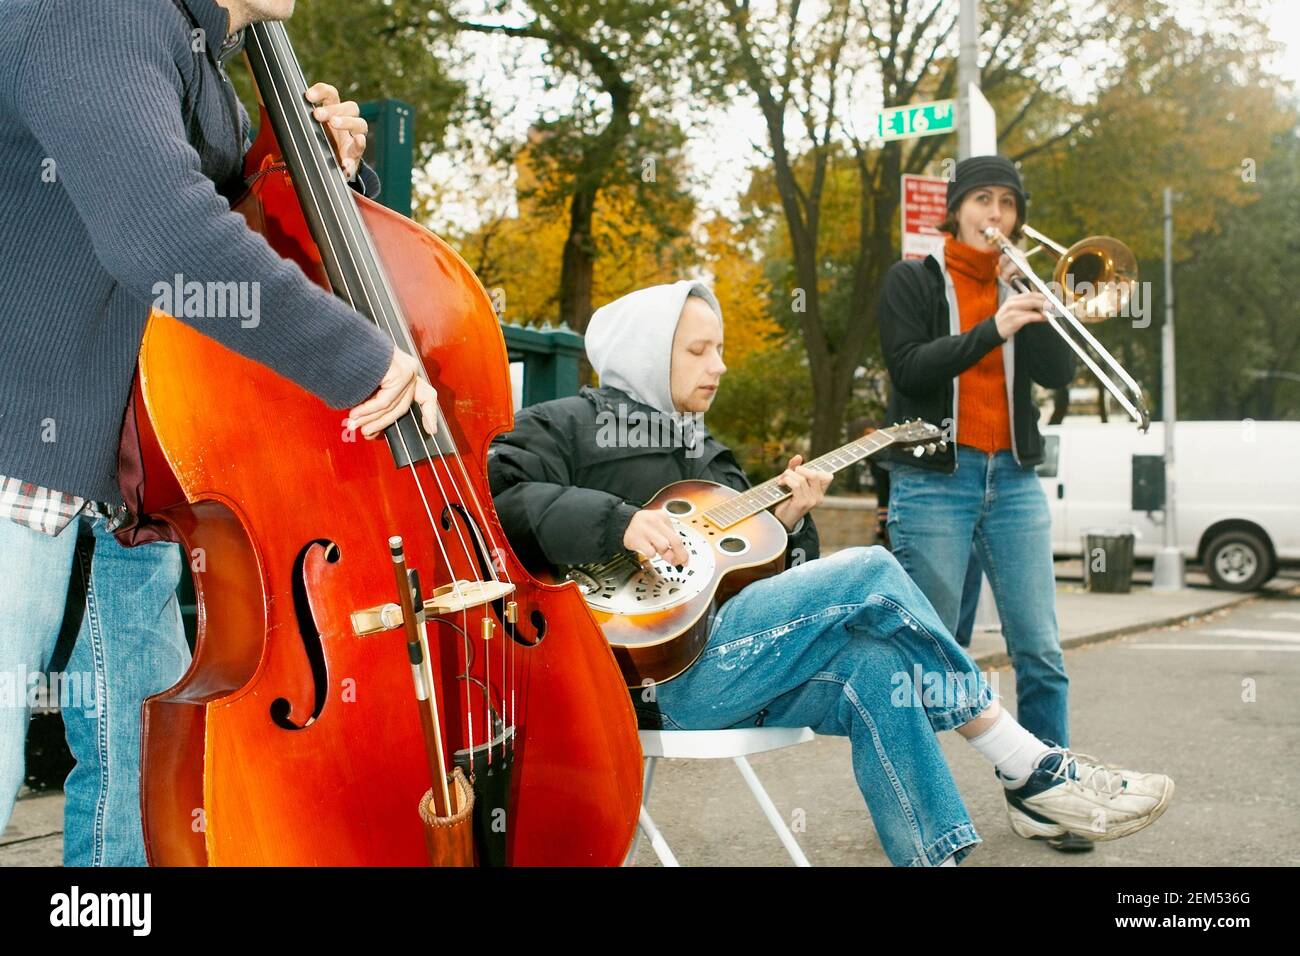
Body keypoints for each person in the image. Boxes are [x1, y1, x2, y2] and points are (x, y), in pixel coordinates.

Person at [487, 279, 1174, 865]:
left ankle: (936, 857)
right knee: (872, 568)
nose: (719, 365)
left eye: (721, 348)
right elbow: (501, 496)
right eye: (698, 350)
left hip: (730, 663)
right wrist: (619, 521)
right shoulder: (565, 424)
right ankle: (1025, 761)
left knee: (874, 667)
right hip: (630, 677)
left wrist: (786, 524)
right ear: (642, 354)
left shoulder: (715, 460)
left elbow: (760, 586)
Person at [0, 0, 437, 864]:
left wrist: (312, 170)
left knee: (142, 806)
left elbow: (242, 240)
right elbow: (164, 235)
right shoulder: (100, 13)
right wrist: (367, 361)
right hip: (19, 462)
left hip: (135, 484)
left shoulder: (202, 63)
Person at [877, 154, 1089, 850]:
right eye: (982, 200)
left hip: (1015, 479)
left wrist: (1039, 305)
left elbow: (1058, 377)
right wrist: (994, 327)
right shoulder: (912, 279)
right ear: (957, 208)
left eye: (1007, 202)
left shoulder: (1019, 281)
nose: (995, 213)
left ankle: (1046, 795)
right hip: (936, 479)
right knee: (930, 652)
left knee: (1041, 648)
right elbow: (909, 369)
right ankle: (922, 808)